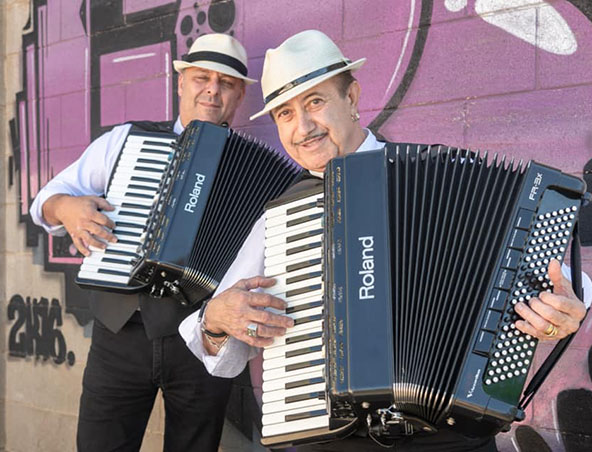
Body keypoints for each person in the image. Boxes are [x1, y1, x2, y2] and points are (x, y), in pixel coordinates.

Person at [179, 30, 591, 451]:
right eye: (284, 114)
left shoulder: (441, 174)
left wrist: (566, 307)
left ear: (353, 98)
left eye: (315, 102)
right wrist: (214, 318)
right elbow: (217, 343)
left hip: (449, 437)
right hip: (334, 440)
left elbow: (558, 279)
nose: (302, 127)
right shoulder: (281, 215)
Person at [30, 33, 257, 452]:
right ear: (181, 83)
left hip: (205, 344)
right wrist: (67, 208)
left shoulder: (255, 167)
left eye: (225, 83)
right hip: (118, 337)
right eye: (201, 78)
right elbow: (43, 202)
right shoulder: (125, 142)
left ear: (239, 94)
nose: (212, 89)